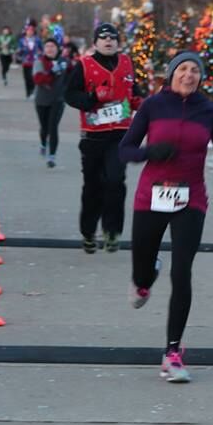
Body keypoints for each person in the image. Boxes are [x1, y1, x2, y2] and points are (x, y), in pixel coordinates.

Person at [119, 51, 213, 383]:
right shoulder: (153, 106)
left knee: (182, 271)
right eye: (182, 69)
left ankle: (172, 353)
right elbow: (125, 149)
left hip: (191, 197)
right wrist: (149, 152)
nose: (189, 75)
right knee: (141, 271)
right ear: (171, 74)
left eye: (194, 70)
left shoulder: (211, 111)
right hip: (151, 195)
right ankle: (144, 279)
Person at [65, 22, 142, 253]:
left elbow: (134, 91)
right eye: (103, 37)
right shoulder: (84, 65)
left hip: (120, 133)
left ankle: (112, 231)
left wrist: (140, 102)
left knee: (115, 181)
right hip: (93, 136)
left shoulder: (127, 63)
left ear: (118, 42)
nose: (108, 41)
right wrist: (92, 97)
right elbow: (69, 95)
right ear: (95, 43)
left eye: (112, 38)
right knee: (93, 185)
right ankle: (88, 232)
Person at [33, 38, 69, 167]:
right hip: (42, 100)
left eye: (52, 46)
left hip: (58, 100)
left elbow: (72, 77)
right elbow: (38, 79)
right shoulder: (39, 62)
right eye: (47, 46)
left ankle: (52, 156)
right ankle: (43, 143)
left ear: (57, 48)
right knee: (44, 128)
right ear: (44, 49)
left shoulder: (64, 62)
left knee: (53, 127)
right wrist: (52, 72)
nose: (50, 49)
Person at [16, 20, 42, 99]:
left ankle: (33, 91)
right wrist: (19, 52)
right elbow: (19, 50)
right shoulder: (22, 40)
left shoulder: (37, 40)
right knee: (27, 77)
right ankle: (28, 93)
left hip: (35, 61)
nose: (30, 32)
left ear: (34, 32)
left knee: (33, 77)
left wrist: (40, 53)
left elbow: (42, 49)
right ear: (26, 31)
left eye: (31, 31)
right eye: (28, 31)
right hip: (26, 61)